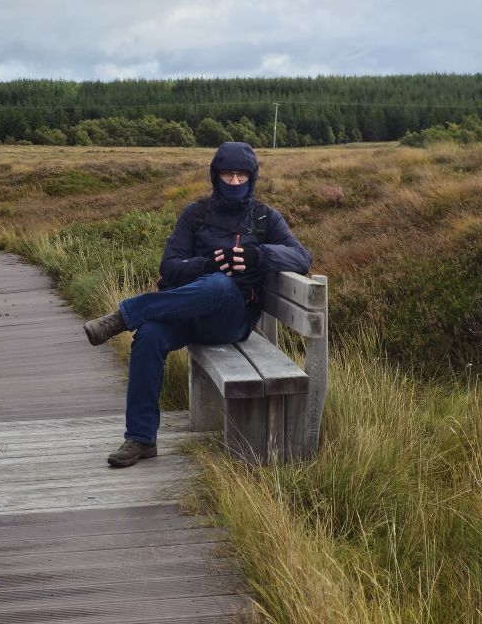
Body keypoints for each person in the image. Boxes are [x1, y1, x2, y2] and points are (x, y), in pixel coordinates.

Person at [83, 140, 311, 467]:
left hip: (231, 320)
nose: (234, 182)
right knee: (148, 337)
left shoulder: (265, 218)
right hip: (188, 314)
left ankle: (124, 315)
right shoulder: (196, 214)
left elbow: (302, 258)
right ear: (215, 175)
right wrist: (204, 265)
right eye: (227, 175)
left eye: (241, 176)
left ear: (252, 178)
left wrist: (258, 255)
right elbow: (169, 266)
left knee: (220, 285)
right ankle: (141, 438)